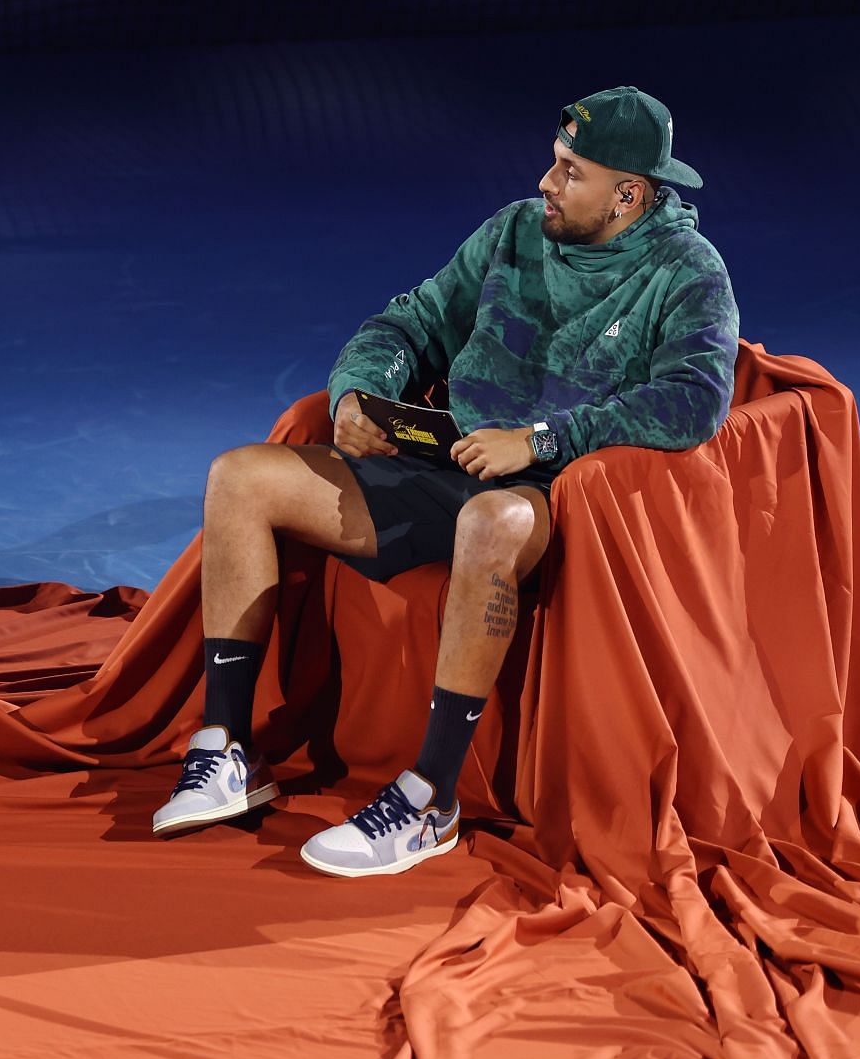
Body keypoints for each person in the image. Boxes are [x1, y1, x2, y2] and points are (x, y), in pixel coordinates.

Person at [151, 87, 739, 877]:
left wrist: (538, 440)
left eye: (571, 173)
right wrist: (356, 394)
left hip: (554, 498)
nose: (546, 182)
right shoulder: (514, 232)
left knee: (487, 522)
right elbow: (413, 322)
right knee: (240, 477)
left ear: (627, 194)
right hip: (449, 464)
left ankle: (430, 800)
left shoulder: (687, 272)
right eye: (554, 162)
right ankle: (226, 751)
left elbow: (694, 399)